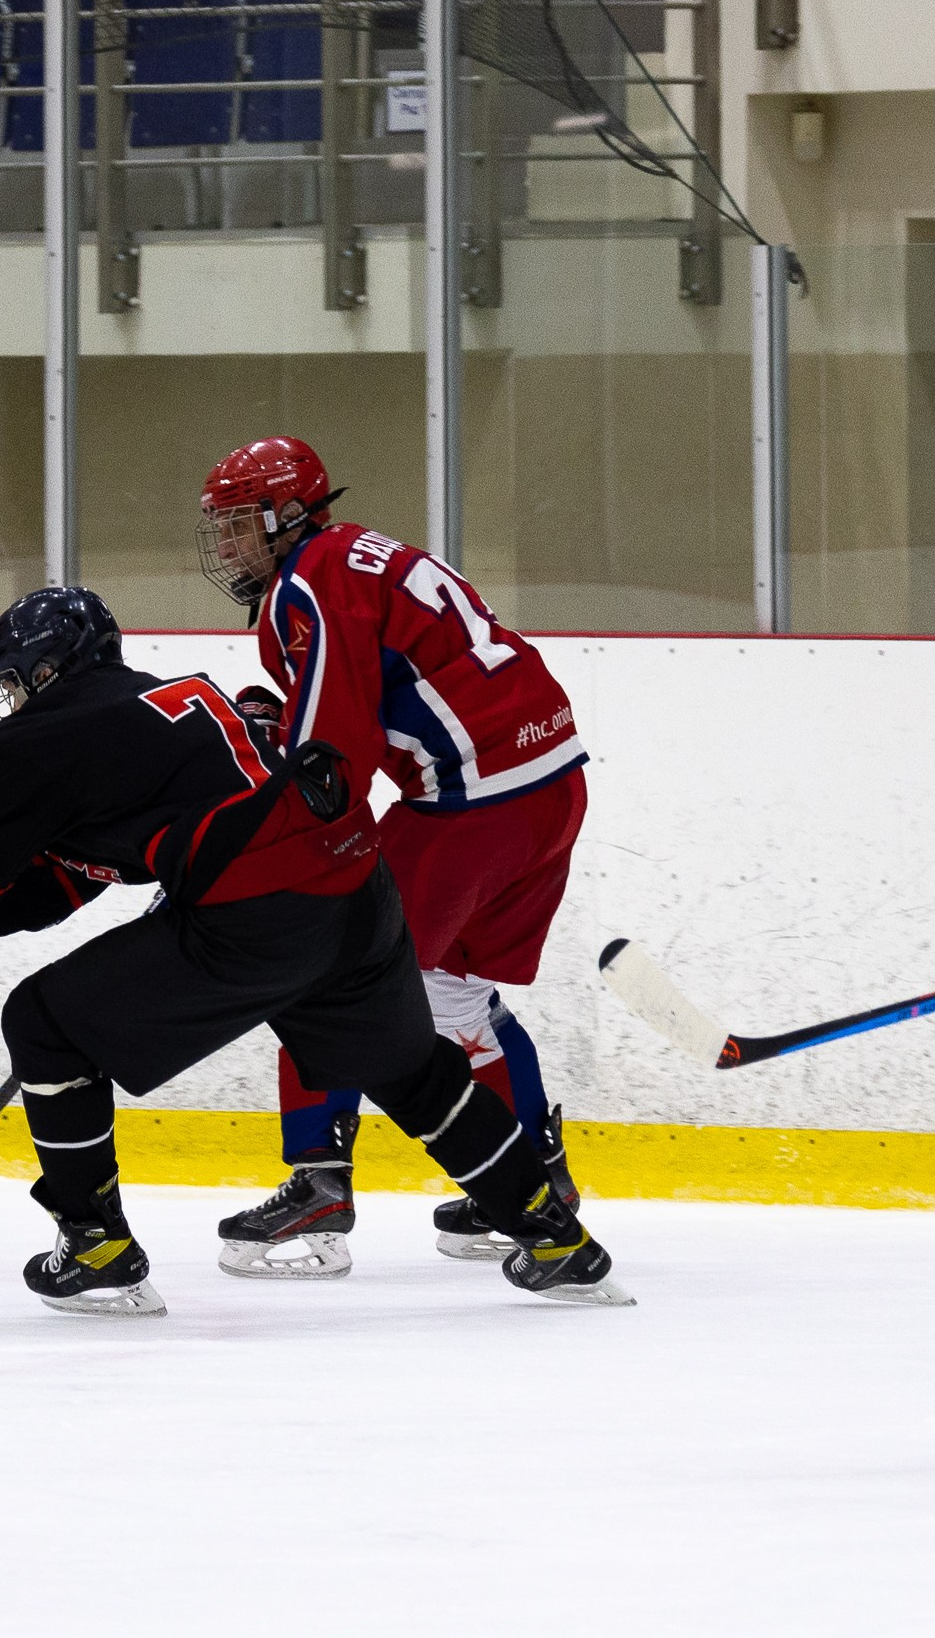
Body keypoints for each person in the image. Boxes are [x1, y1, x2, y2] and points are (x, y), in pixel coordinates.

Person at [0, 586, 632, 1316]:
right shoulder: (159, 706)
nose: (13, 700)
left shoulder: (38, 741)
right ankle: (557, 1238)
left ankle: (95, 1249)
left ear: (47, 671)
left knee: (43, 1022)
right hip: (355, 891)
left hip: (260, 911)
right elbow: (55, 883)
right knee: (412, 1070)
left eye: (17, 681)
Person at [193, 437, 590, 1277]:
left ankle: (319, 1185)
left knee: (322, 973)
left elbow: (335, 751)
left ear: (287, 515)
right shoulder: (355, 555)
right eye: (221, 527)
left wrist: (280, 844)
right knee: (454, 993)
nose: (227, 545)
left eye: (240, 524)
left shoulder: (306, 582)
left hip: (472, 804)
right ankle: (536, 1182)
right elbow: (375, 691)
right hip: (549, 782)